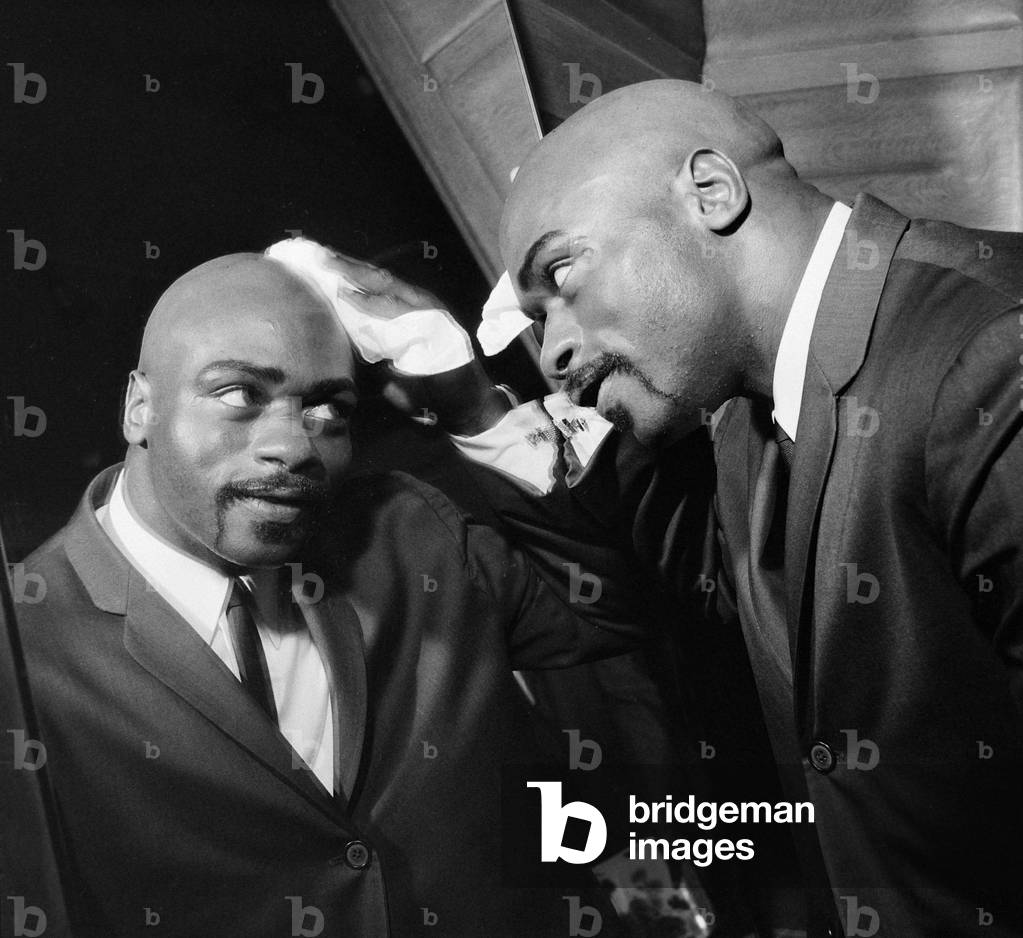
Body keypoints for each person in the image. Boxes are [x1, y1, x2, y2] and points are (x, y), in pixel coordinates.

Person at [330, 79, 1023, 936]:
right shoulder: (746, 414)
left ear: (710, 192)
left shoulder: (995, 356)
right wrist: (474, 405)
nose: (550, 352)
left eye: (560, 273)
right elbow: (672, 592)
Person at [13, 251, 652, 937]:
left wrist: (468, 400)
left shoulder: (405, 531)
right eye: (239, 395)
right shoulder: (24, 646)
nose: (293, 446)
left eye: (327, 409)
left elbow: (600, 613)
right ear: (140, 405)